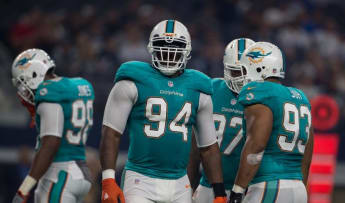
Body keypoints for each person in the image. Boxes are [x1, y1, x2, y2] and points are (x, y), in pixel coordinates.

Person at [99, 20, 227, 203]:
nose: (169, 53)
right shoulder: (132, 81)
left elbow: (208, 147)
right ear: (152, 48)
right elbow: (111, 133)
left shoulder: (199, 88)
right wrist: (108, 181)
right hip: (140, 178)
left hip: (180, 182)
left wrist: (219, 192)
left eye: (176, 47)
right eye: (162, 46)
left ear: (187, 50)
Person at [228, 42, 314, 203]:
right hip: (298, 188)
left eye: (245, 69)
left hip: (269, 185)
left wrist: (238, 190)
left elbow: (257, 145)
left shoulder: (261, 92)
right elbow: (307, 155)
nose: (243, 75)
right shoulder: (300, 96)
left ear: (260, 68)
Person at [11, 49, 94, 203]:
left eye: (23, 81)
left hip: (59, 174)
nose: (23, 91)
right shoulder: (79, 85)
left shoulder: (48, 92)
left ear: (34, 74)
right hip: (81, 172)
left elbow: (51, 143)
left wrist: (24, 189)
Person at [187, 38, 255, 202]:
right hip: (209, 185)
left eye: (248, 71)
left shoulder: (262, 98)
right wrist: (188, 188)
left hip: (248, 188)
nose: (243, 79)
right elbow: (194, 150)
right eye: (237, 72)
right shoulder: (211, 89)